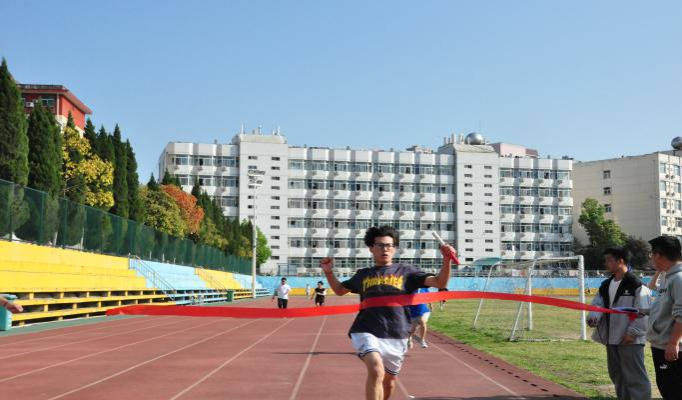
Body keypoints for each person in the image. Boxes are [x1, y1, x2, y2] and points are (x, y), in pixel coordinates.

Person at [320, 226, 456, 400]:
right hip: (367, 330)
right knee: (376, 370)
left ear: (395, 248)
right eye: (379, 245)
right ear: (371, 248)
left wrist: (446, 260)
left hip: (397, 333)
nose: (384, 249)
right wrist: (328, 272)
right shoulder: (363, 275)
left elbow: (439, 282)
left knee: (389, 382)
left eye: (388, 245)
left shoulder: (407, 272)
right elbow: (339, 290)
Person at [586, 247, 651, 400]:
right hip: (611, 338)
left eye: (609, 260)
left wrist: (632, 333)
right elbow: (597, 305)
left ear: (621, 261)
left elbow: (644, 312)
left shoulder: (637, 285)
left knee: (635, 377)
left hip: (630, 339)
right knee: (617, 374)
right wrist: (593, 318)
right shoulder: (605, 285)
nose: (605, 263)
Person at [646, 236, 682, 399]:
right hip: (662, 345)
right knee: (667, 389)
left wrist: (673, 342)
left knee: (673, 391)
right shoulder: (668, 277)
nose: (651, 258)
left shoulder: (679, 278)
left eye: (652, 254)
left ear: (660, 255)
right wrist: (645, 312)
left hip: (671, 347)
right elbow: (664, 306)